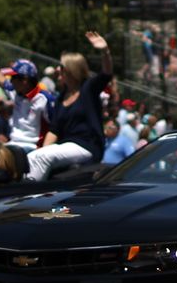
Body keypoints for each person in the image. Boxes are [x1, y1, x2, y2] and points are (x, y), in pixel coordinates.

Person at [26, 32, 112, 182]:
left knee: (41, 157)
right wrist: (43, 150)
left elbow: (106, 73)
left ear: (71, 70)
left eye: (61, 67)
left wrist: (105, 51)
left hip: (87, 146)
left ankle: (27, 195)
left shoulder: (88, 89)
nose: (58, 70)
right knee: (34, 156)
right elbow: (54, 130)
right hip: (67, 146)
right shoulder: (61, 98)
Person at [0, 56, 48, 156]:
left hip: (32, 147)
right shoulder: (16, 92)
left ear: (25, 80)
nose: (11, 81)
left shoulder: (45, 99)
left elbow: (55, 128)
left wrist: (44, 150)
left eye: (13, 77)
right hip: (12, 143)